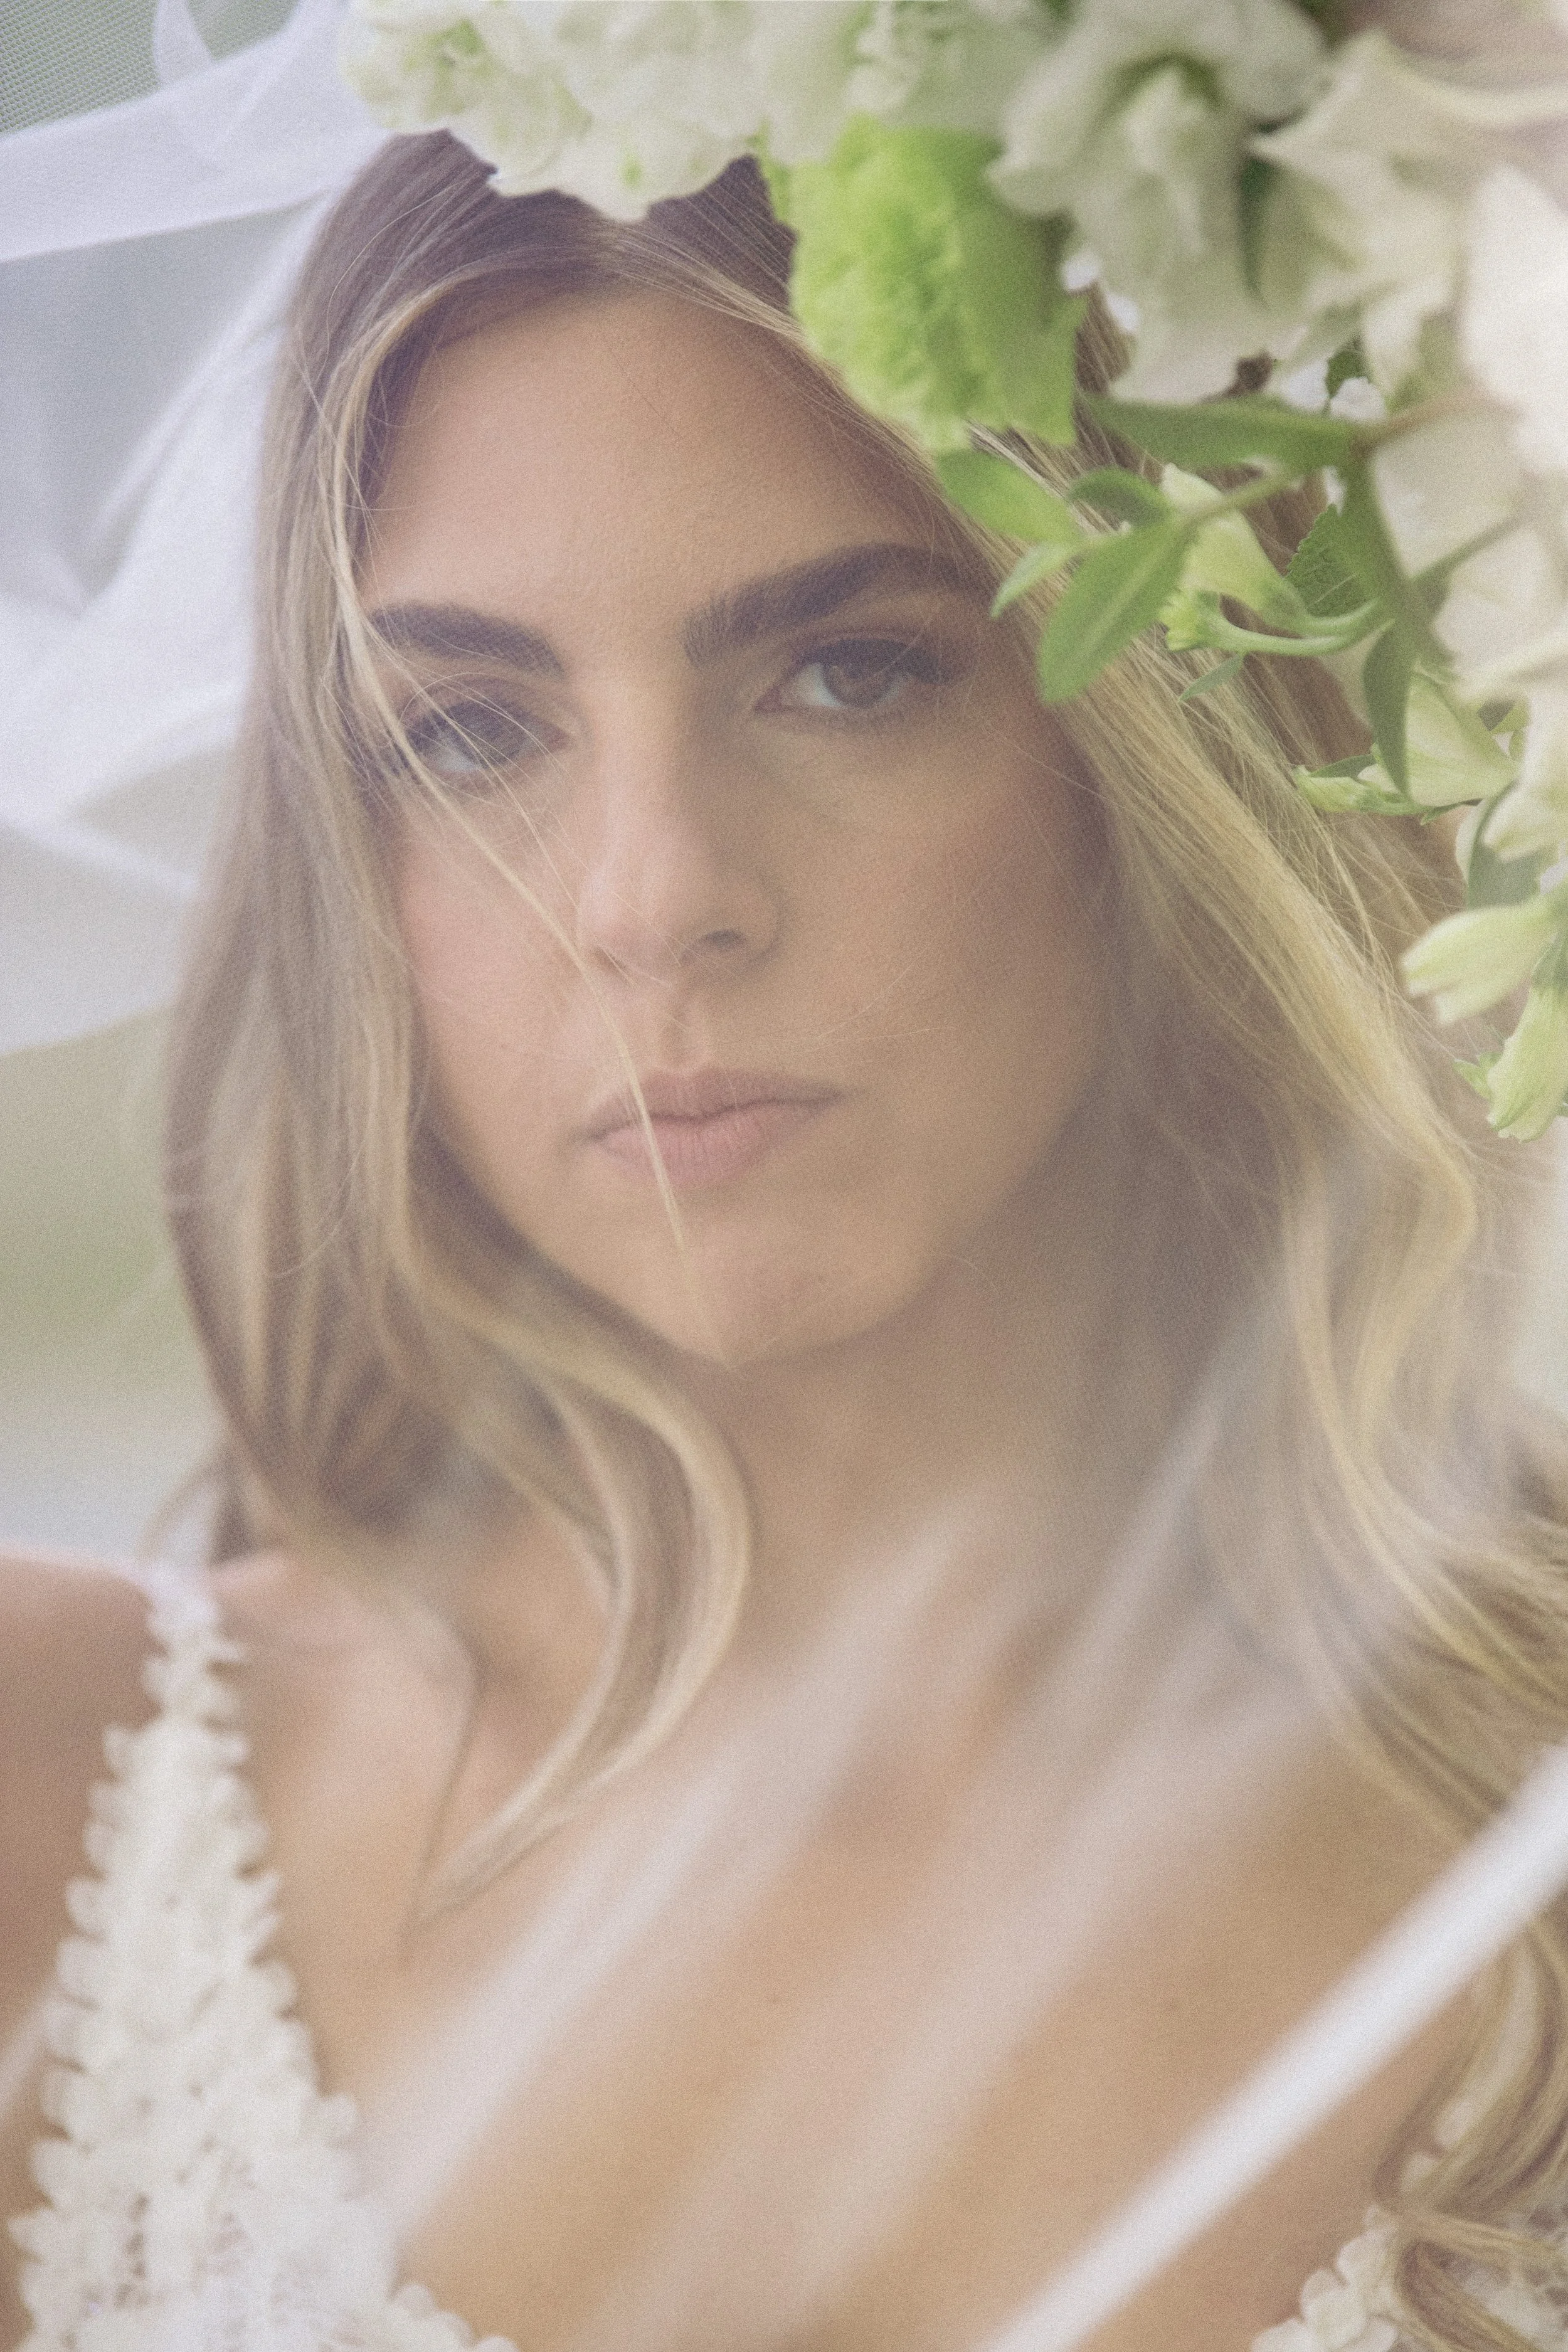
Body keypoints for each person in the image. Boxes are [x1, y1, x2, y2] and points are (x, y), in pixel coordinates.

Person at [2, 130, 1567, 2352]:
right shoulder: (49, 1794)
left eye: (847, 670)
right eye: (469, 727)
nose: (650, 894)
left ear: (1156, 731)